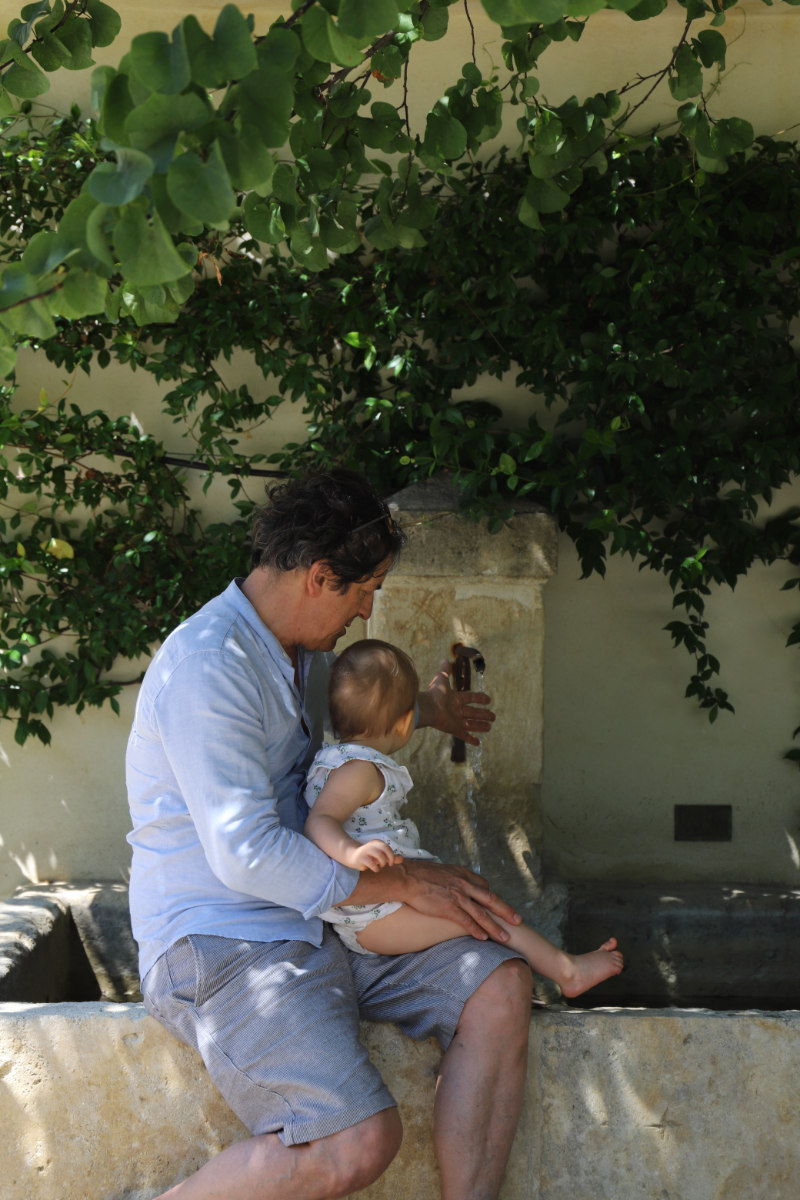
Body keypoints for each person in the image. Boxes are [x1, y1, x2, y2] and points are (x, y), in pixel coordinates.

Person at [126, 468, 535, 1200]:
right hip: (225, 942)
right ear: (319, 576)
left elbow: (349, 747)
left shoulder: (300, 656)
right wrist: (399, 882)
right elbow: (245, 850)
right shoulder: (209, 667)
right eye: (363, 588)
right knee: (355, 1141)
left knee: (500, 982)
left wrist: (429, 711)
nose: (368, 606)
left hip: (324, 920)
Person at [304, 638, 623, 995]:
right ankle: (568, 972)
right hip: (376, 918)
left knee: (475, 906)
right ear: (405, 723)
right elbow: (319, 821)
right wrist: (352, 854)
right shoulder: (358, 770)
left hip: (377, 912)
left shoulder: (340, 759)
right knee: (484, 916)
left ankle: (562, 969)